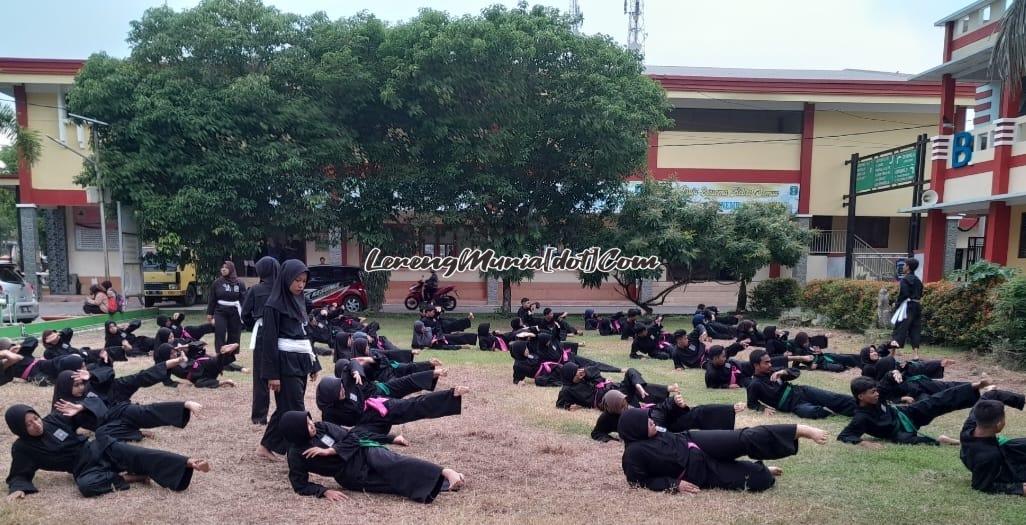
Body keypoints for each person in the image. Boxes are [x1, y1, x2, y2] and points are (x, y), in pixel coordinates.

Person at [4, 404, 210, 499]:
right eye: (29, 424)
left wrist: (82, 407)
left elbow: (91, 415)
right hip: (82, 468)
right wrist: (18, 488)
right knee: (86, 486)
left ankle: (188, 462)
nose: (36, 425)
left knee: (136, 454)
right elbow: (20, 473)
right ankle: (133, 478)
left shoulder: (53, 420)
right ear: (19, 428)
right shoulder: (23, 448)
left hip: (97, 447)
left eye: (35, 418)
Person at [618, 407, 828, 493]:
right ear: (634, 429)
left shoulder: (655, 429)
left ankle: (799, 430)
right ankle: (760, 468)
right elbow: (638, 482)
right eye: (644, 421)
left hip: (694, 441)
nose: (650, 421)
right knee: (760, 480)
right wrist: (674, 484)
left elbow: (672, 413)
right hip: (698, 470)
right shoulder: (633, 454)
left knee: (745, 437)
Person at [280, 411, 465, 503]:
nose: (312, 425)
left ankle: (445, 471)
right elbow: (300, 484)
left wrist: (331, 451)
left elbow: (351, 436)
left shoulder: (322, 427)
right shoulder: (296, 455)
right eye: (306, 425)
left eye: (309, 420)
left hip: (363, 453)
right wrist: (324, 492)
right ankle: (443, 483)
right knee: (393, 486)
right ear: (296, 431)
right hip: (350, 476)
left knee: (395, 464)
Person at [838, 376, 1024, 447]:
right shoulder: (860, 417)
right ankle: (943, 440)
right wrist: (864, 444)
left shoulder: (878, 397)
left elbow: (886, 384)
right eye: (872, 392)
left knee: (938, 400)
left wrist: (893, 375)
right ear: (861, 397)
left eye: (876, 390)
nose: (877, 394)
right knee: (913, 442)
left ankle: (977, 386)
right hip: (901, 432)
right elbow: (845, 435)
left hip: (906, 414)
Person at [257, 260, 321, 461]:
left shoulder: (300, 301)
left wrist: (313, 363)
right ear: (286, 279)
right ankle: (303, 450)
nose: (301, 285)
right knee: (295, 408)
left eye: (304, 281)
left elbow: (305, 334)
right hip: (284, 364)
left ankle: (266, 446)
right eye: (297, 280)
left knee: (287, 406)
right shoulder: (273, 305)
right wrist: (272, 375)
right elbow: (268, 342)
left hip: (300, 360)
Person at [50, 368, 201, 442]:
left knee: (144, 412)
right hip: (109, 427)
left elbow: (107, 374)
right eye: (76, 385)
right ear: (64, 387)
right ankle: (137, 433)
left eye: (81, 384)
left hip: (116, 411)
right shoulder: (63, 406)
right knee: (103, 435)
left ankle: (183, 405)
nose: (81, 388)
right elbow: (58, 428)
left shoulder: (87, 391)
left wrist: (91, 376)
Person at [591, 388, 743, 442]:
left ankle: (728, 411)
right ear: (613, 407)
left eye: (625, 403)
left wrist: (674, 404)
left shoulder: (631, 405)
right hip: (656, 432)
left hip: (659, 421)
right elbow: (596, 433)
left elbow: (656, 411)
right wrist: (609, 440)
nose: (626, 407)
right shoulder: (607, 418)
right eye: (622, 406)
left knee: (698, 412)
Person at [745, 349, 856, 419]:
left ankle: (863, 407)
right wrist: (763, 408)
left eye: (770, 361)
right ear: (756, 365)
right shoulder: (754, 384)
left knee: (834, 398)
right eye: (766, 362)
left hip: (803, 392)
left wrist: (783, 372)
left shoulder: (773, 371)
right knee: (813, 412)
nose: (770, 364)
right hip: (793, 406)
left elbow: (796, 372)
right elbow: (751, 404)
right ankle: (829, 409)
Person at [242, 256, 280, 425]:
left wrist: (254, 325)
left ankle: (259, 417)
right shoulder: (283, 289)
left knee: (260, 376)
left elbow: (245, 314)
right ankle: (283, 413)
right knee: (282, 373)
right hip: (282, 333)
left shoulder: (255, 290)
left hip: (262, 333)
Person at [960, 399, 1026, 495]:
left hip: (1003, 451)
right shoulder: (990, 456)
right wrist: (1019, 489)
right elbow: (980, 485)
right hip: (1006, 470)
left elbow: (988, 395)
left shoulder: (969, 427)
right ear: (999, 424)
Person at [556, 363, 667, 411]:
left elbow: (594, 369)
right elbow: (560, 404)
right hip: (608, 399)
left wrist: (585, 372)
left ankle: (640, 387)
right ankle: (641, 397)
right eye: (577, 371)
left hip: (614, 389)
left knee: (630, 371)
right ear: (570, 375)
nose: (580, 371)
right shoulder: (567, 390)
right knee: (631, 396)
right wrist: (571, 407)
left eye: (579, 369)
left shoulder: (585, 377)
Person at [704, 346, 811, 389]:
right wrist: (727, 386)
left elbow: (730, 350)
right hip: (740, 380)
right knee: (756, 385)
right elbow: (711, 386)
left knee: (765, 361)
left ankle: (799, 358)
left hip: (740, 367)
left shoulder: (726, 360)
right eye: (723, 357)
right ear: (715, 358)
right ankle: (779, 382)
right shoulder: (711, 373)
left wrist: (739, 344)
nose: (725, 357)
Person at [206, 261, 246, 370]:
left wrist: (244, 314)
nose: (223, 269)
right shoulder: (217, 283)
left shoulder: (239, 283)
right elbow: (212, 299)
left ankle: (229, 358)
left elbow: (243, 300)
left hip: (235, 311)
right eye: (222, 267)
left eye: (226, 267)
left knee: (234, 334)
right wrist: (210, 314)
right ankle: (220, 356)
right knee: (220, 332)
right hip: (220, 311)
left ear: (231, 269)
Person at [891, 257, 924, 360]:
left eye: (904, 265)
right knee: (915, 329)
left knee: (900, 328)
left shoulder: (905, 280)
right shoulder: (918, 280)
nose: (903, 267)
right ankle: (915, 354)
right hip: (917, 306)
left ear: (908, 267)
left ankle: (892, 354)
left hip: (907, 306)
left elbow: (903, 295)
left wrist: (896, 304)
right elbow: (920, 293)